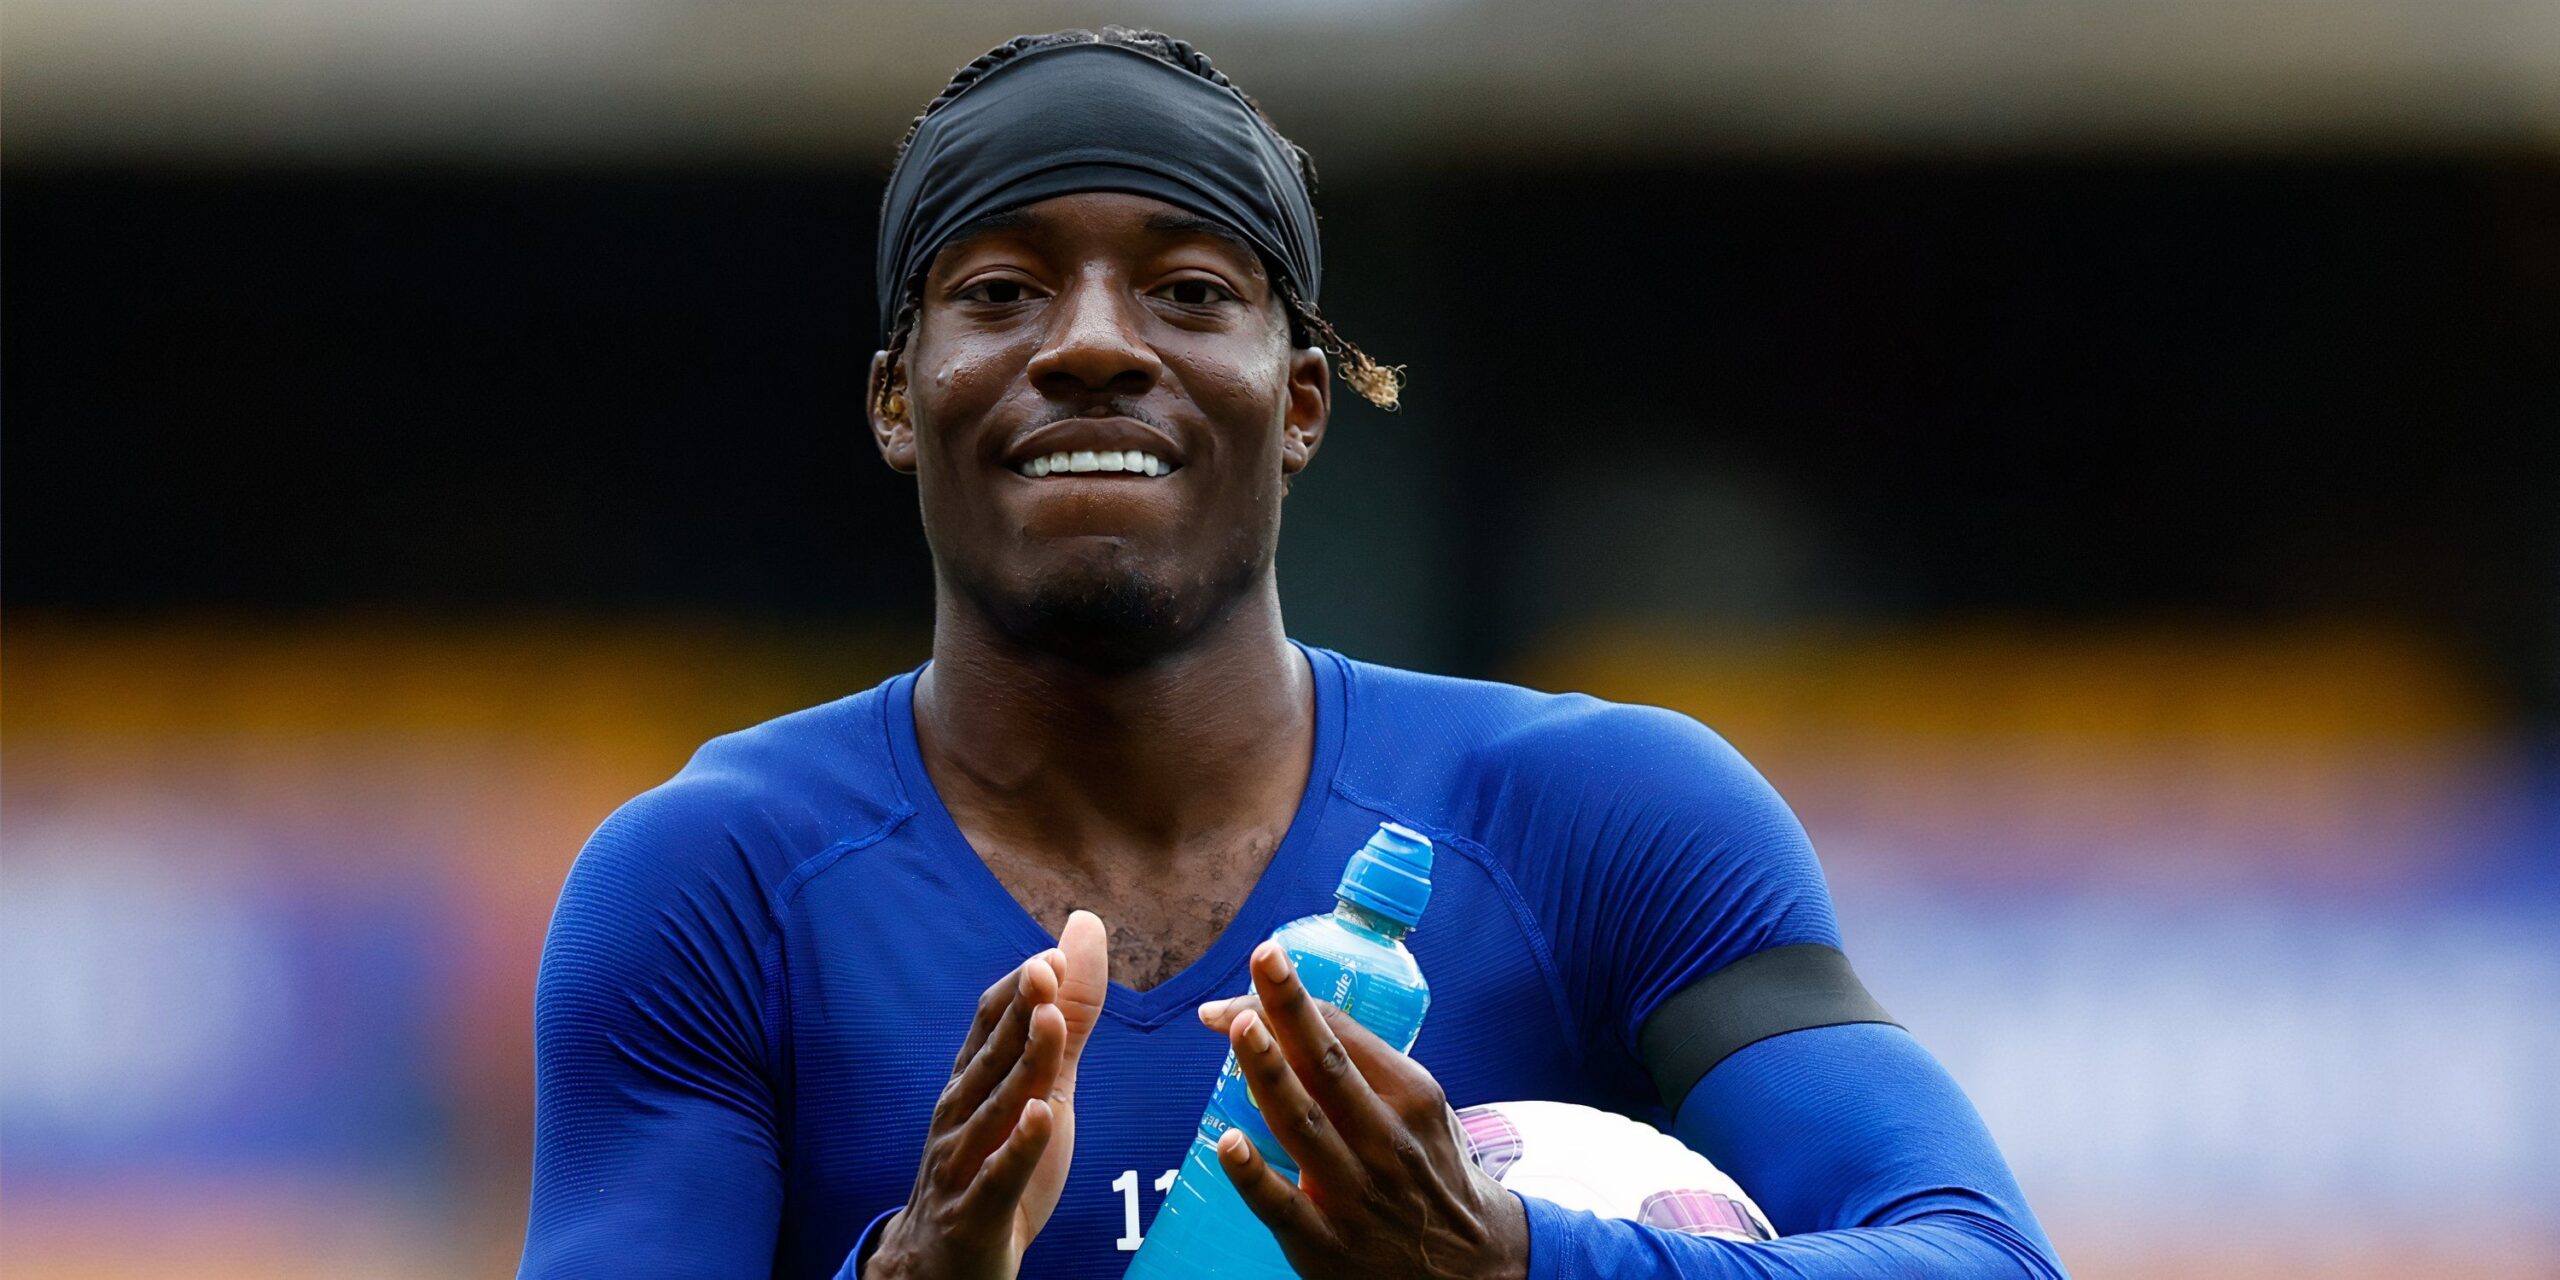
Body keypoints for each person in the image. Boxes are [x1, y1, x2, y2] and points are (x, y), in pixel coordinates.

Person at [518, 26, 2067, 1280]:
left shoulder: (1603, 817)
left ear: (1303, 403)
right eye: (1000, 292)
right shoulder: (715, 884)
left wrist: (1508, 1260)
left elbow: (1982, 1257)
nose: (1094, 343)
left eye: (1192, 292)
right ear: (896, 399)